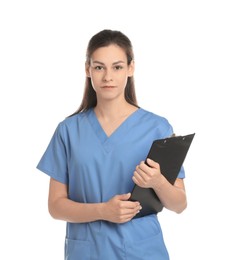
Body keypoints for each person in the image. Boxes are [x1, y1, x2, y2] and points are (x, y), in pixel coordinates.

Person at [36, 29, 187, 260]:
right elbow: (55, 206)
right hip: (87, 253)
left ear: (130, 68)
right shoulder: (68, 131)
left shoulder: (157, 128)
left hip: (142, 251)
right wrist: (102, 211)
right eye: (99, 67)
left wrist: (157, 182)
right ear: (88, 70)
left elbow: (179, 204)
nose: (108, 77)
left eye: (117, 67)